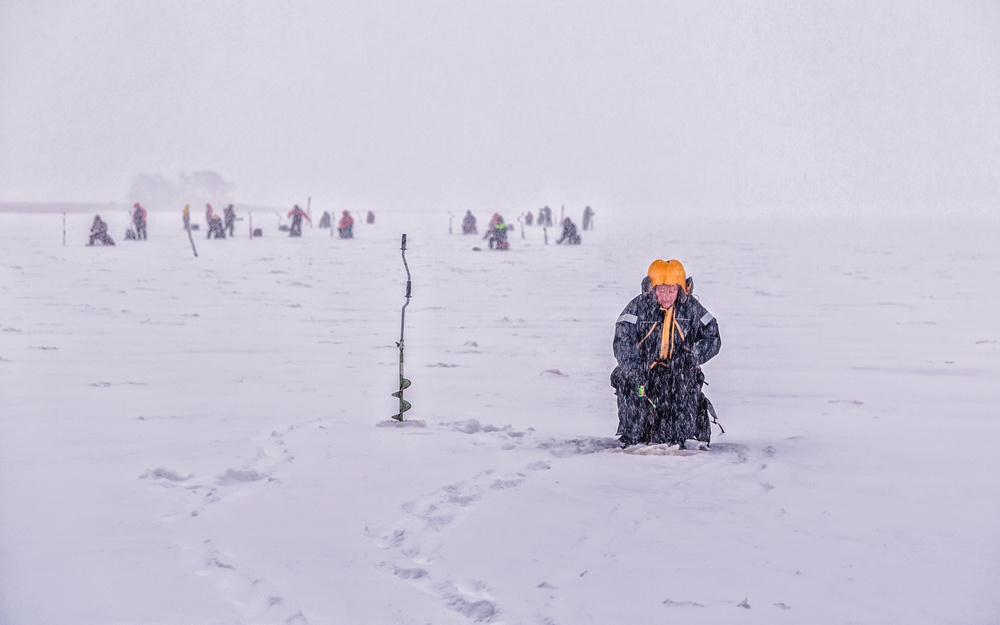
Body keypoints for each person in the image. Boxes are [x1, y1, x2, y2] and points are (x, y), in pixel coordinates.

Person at [611, 259, 721, 447]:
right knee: (628, 382)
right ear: (652, 288)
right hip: (643, 369)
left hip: (678, 369)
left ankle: (685, 437)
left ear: (681, 290)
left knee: (687, 382)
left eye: (671, 290)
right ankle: (632, 436)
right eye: (662, 290)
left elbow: (713, 336)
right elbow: (622, 338)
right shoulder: (637, 306)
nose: (667, 296)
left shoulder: (692, 308)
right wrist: (634, 368)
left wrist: (691, 358)